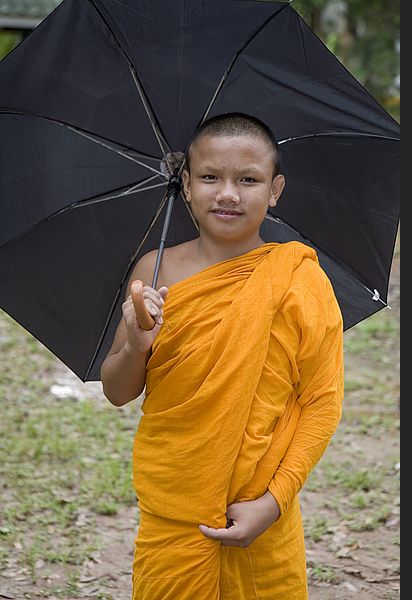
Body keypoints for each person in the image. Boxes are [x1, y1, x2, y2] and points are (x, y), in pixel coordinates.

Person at [100, 112, 344, 599]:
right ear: (186, 184)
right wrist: (136, 341)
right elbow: (117, 391)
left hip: (262, 508)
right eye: (210, 177)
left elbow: (322, 402)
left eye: (247, 180)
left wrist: (273, 502)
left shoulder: (298, 278)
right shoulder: (156, 268)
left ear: (275, 189)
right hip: (176, 504)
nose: (228, 194)